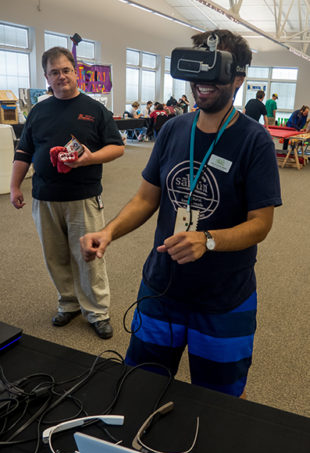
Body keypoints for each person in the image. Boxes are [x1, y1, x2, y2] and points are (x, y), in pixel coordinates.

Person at [80, 29, 281, 398]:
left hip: (224, 297)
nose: (202, 83)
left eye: (214, 72)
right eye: (196, 71)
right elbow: (145, 199)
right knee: (141, 385)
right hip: (162, 288)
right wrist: (109, 232)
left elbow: (261, 224)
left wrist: (209, 240)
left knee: (217, 400)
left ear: (238, 78)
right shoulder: (173, 129)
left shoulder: (255, 141)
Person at [10, 46, 124, 340]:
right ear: (47, 77)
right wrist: (14, 186)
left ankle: (97, 311)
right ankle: (69, 302)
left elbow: (117, 147)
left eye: (66, 70)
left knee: (89, 255)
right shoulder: (39, 111)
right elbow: (24, 151)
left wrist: (90, 158)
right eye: (54, 72)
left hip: (83, 197)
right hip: (44, 197)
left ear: (76, 72)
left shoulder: (95, 109)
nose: (61, 76)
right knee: (56, 256)